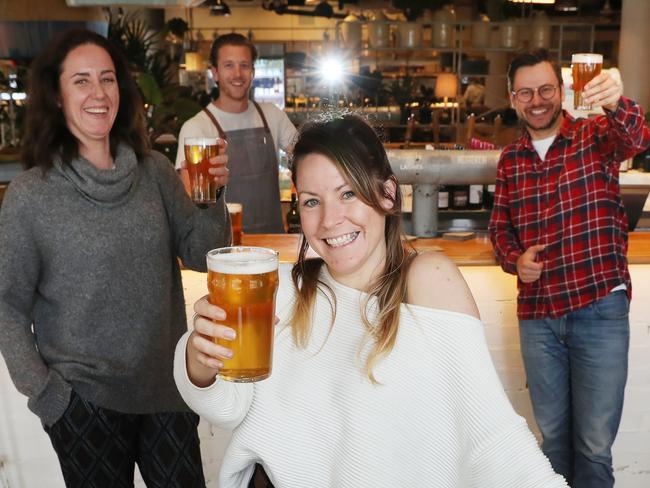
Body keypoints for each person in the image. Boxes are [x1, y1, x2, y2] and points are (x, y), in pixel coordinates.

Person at [173, 114, 569, 488]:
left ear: (387, 194)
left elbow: (493, 436)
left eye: (348, 193)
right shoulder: (277, 288)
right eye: (311, 201)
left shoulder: (426, 281)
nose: (330, 219)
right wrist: (198, 358)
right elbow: (228, 409)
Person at [0, 29, 232, 487]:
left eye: (107, 79)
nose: (98, 93)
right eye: (81, 81)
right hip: (84, 401)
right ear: (57, 95)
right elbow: (6, 303)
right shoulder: (31, 195)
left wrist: (212, 192)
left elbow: (204, 256)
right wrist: (49, 398)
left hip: (167, 388)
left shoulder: (156, 173)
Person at [488, 49, 650, 488]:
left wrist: (617, 101)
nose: (536, 100)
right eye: (526, 92)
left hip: (599, 309)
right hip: (539, 318)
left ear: (561, 91)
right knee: (554, 442)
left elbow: (637, 138)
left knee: (594, 447)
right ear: (512, 97)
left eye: (545, 89)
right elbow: (499, 232)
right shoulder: (510, 160)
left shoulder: (595, 134)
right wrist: (514, 261)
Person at [175, 33, 297, 234]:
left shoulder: (272, 115)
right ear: (214, 73)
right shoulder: (197, 127)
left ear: (253, 72)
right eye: (229, 65)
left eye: (244, 65)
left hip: (272, 244)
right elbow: (191, 201)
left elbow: (305, 154)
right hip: (223, 250)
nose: (238, 74)